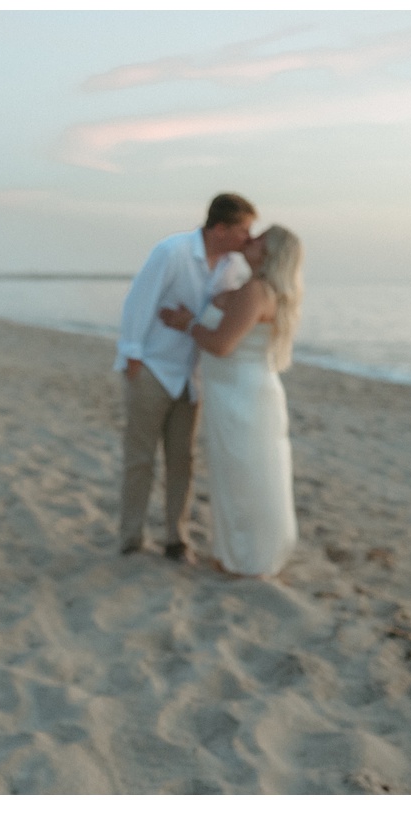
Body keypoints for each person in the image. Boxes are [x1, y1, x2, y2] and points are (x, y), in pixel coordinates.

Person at [115, 193, 257, 561]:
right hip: (151, 366)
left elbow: (233, 311)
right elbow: (139, 300)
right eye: (244, 229)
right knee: (140, 458)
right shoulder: (173, 251)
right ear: (221, 228)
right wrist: (131, 353)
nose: (248, 237)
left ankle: (175, 538)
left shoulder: (234, 268)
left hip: (190, 376)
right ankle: (131, 537)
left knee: (183, 460)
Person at [159, 225, 303, 577]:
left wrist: (186, 323)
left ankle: (249, 559)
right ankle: (241, 553)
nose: (250, 240)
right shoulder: (254, 289)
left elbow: (222, 345)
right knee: (240, 475)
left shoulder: (256, 291)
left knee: (246, 477)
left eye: (259, 241)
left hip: (243, 397)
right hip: (238, 392)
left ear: (270, 255)